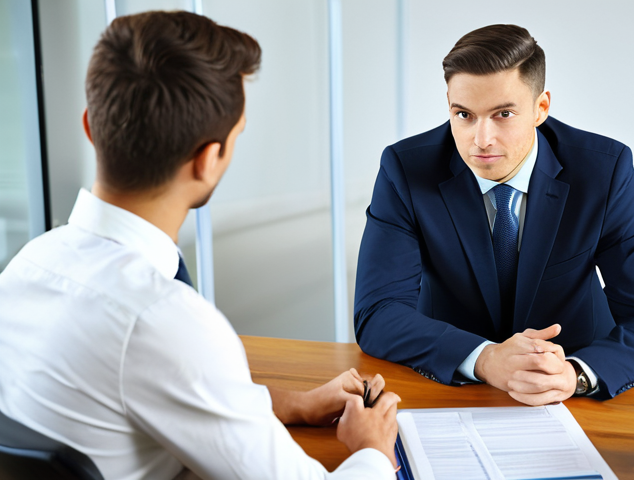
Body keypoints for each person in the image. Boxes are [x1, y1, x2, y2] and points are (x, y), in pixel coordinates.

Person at [0, 11, 399, 480]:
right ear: (209, 160)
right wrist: (371, 449)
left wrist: (295, 404)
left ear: (91, 127)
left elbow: (155, 390)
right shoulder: (163, 322)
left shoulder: (27, 267)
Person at [354, 24, 634, 404]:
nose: (481, 139)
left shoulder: (604, 172)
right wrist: (484, 358)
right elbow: (378, 313)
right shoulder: (405, 169)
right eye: (463, 114)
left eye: (503, 114)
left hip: (571, 392)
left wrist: (574, 374)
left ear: (541, 107)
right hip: (450, 386)